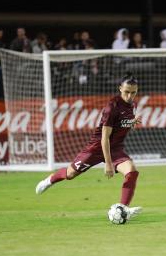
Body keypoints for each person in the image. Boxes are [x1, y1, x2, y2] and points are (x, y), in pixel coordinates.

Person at [35, 73, 143, 220]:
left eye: (133, 92)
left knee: (132, 171)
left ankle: (123, 208)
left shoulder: (133, 105)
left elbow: (123, 124)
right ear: (120, 89)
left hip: (116, 148)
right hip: (97, 148)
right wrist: (109, 164)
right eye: (126, 92)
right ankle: (49, 180)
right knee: (70, 174)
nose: (130, 96)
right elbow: (104, 137)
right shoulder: (112, 107)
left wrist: (132, 123)